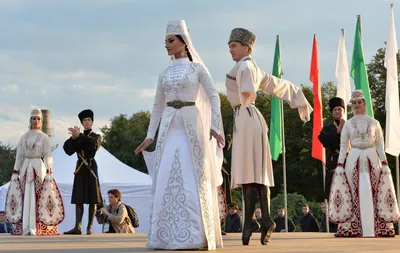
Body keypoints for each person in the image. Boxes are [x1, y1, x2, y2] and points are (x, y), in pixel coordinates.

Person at [135, 20, 225, 250]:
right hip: (168, 127)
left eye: (171, 40)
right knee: (165, 177)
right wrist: (149, 135)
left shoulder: (197, 69)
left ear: (183, 43)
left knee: (191, 177)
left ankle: (194, 235)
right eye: (165, 41)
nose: (167, 45)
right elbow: (157, 106)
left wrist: (215, 125)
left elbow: (214, 97)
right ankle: (164, 236)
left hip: (192, 125)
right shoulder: (164, 73)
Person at [225, 27, 313, 245]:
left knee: (249, 173)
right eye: (229, 46)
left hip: (246, 117)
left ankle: (251, 223)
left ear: (246, 47)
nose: (230, 50)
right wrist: (300, 100)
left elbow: (247, 93)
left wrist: (246, 95)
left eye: (233, 46)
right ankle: (262, 219)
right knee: (256, 173)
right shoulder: (253, 67)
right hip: (250, 118)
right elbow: (279, 85)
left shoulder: (245, 66)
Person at [329, 90, 400, 237]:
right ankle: (353, 227)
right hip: (353, 157)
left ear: (364, 103)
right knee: (353, 192)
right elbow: (343, 146)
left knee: (374, 191)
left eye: (359, 102)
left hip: (372, 157)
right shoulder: (348, 124)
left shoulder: (374, 123)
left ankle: (376, 228)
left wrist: (384, 161)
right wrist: (340, 164)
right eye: (353, 103)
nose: (356, 105)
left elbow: (380, 144)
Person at [5, 108, 64, 235]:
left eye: (38, 119)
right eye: (33, 118)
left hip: (39, 167)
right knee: (25, 195)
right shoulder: (24, 137)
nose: (36, 121)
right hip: (26, 167)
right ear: (30, 120)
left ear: (41, 121)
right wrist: (15, 170)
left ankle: (38, 226)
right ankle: (26, 225)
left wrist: (49, 170)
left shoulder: (44, 137)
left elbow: (48, 155)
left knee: (40, 196)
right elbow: (19, 155)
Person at [63, 109, 102, 235]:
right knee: (79, 198)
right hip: (80, 168)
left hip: (90, 166)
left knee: (92, 198)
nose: (87, 122)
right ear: (82, 122)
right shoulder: (78, 136)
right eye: (84, 120)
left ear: (92, 122)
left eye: (89, 120)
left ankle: (89, 227)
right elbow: (67, 150)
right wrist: (73, 138)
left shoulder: (96, 136)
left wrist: (79, 137)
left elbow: (92, 146)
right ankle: (77, 227)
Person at [318, 97, 346, 199]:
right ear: (332, 112)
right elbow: (323, 139)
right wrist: (338, 131)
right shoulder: (328, 127)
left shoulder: (350, 125)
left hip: (349, 160)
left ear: (343, 111)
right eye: (335, 109)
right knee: (335, 193)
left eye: (339, 109)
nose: (337, 111)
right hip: (334, 160)